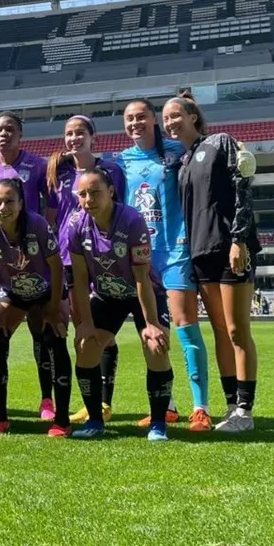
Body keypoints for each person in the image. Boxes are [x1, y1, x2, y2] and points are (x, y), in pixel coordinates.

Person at [164, 93, 261, 433]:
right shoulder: (183, 161)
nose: (170, 122)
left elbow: (243, 186)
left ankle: (246, 411)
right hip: (200, 252)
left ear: (193, 116)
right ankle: (232, 405)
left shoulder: (221, 143)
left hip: (230, 248)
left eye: (175, 115)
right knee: (220, 330)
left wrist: (239, 238)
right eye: (166, 119)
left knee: (237, 330)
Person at [67, 168, 174, 441]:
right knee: (86, 346)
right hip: (106, 295)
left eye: (95, 192)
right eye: (83, 194)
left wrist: (151, 324)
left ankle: (158, 423)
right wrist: (85, 323)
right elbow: (79, 279)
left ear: (111, 191)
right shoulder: (76, 225)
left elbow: (141, 277)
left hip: (144, 293)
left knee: (155, 347)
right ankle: (94, 421)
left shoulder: (132, 220)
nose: (88, 199)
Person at [112, 100, 193, 430]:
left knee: (183, 326)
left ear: (154, 119)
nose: (135, 123)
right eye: (129, 119)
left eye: (141, 117)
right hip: (139, 254)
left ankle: (201, 406)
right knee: (153, 329)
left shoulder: (176, 152)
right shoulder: (121, 162)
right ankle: (168, 404)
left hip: (174, 249)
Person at [0, 178, 70, 436]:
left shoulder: (36, 224)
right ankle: (0, 417)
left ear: (21, 203)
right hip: (13, 293)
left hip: (48, 291)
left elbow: (57, 268)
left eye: (9, 201)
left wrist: (52, 308)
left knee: (54, 337)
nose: (3, 207)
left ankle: (61, 420)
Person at [0, 113, 57, 421]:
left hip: (35, 263)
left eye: (10, 129)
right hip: (1, 264)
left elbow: (51, 207)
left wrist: (36, 246)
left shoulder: (37, 165)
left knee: (41, 330)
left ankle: (47, 400)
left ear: (21, 134)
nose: (4, 133)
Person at [44, 115, 126, 426]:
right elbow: (53, 216)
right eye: (69, 134)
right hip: (68, 256)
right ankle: (92, 402)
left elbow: (118, 209)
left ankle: (103, 401)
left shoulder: (110, 170)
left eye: (80, 133)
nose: (74, 138)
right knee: (83, 327)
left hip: (102, 256)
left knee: (104, 329)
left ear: (94, 137)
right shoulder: (59, 173)